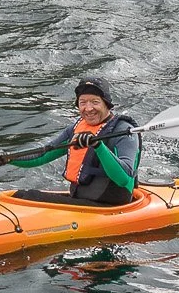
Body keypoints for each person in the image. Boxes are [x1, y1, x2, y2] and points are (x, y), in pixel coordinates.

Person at [11, 79, 142, 206]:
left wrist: (97, 145)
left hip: (109, 206)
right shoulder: (76, 129)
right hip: (81, 203)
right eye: (83, 102)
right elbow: (42, 156)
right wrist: (7, 158)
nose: (88, 108)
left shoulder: (124, 132)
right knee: (19, 196)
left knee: (32, 197)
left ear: (106, 104)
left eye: (95, 102)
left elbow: (123, 179)